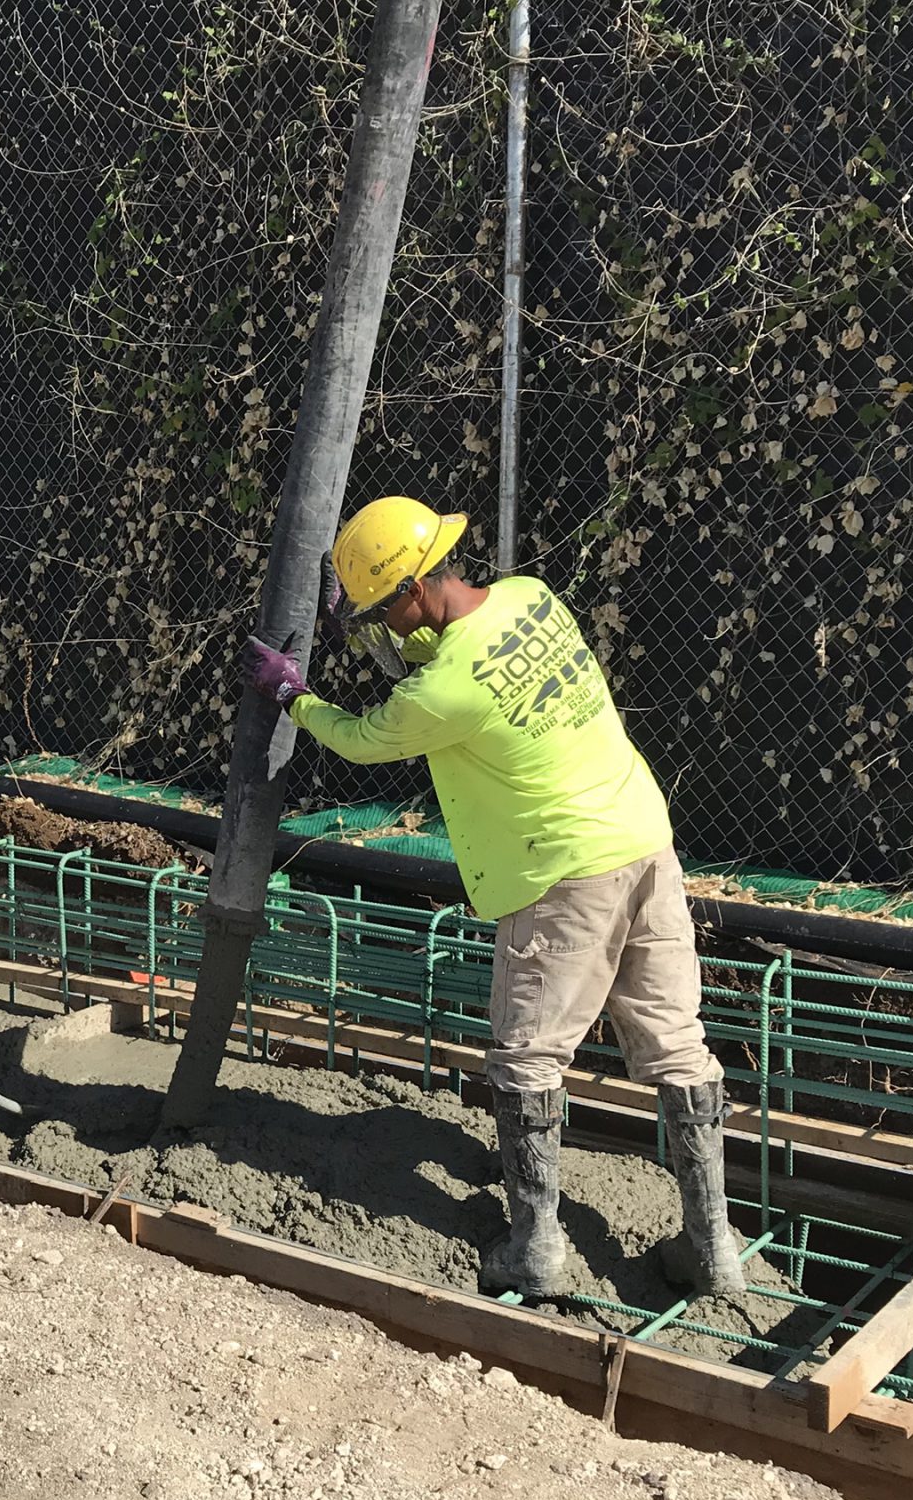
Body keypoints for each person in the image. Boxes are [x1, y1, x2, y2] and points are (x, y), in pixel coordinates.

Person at [241, 497, 746, 1299]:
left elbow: (365, 738)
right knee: (677, 1041)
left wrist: (293, 696)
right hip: (644, 839)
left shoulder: (439, 692)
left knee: (526, 1057)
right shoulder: (531, 598)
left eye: (379, 614)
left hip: (563, 871)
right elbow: (461, 657)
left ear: (413, 591)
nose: (377, 632)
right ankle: (714, 1248)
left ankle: (536, 1249)